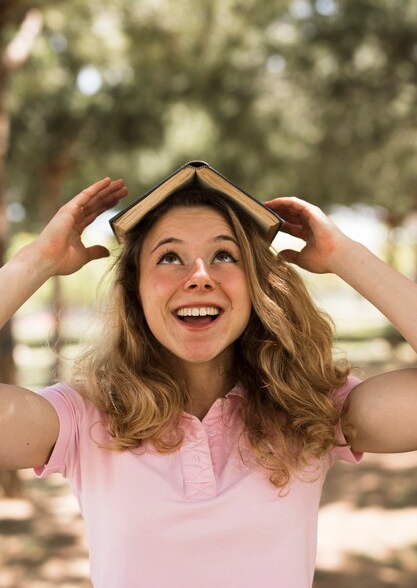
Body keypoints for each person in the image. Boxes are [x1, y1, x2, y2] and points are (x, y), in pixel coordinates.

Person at [0, 168, 416, 588]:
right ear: (135, 291)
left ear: (256, 286)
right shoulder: (83, 418)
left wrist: (346, 256)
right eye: (169, 257)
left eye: (223, 255)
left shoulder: (311, 408)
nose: (199, 276)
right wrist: (37, 261)